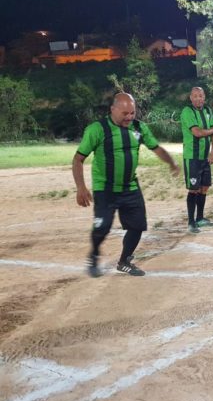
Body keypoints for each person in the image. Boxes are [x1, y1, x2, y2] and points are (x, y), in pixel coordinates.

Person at [73, 93, 180, 277]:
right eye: (125, 113)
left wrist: (171, 162)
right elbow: (78, 159)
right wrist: (81, 188)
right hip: (105, 189)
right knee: (102, 227)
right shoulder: (97, 129)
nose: (129, 117)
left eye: (132, 113)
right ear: (113, 110)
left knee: (137, 226)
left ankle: (124, 261)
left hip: (130, 187)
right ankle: (94, 254)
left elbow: (156, 148)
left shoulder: (138, 127)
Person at [180, 86, 213, 233]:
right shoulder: (187, 111)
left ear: (204, 97)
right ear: (191, 98)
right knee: (194, 189)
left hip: (205, 157)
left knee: (204, 188)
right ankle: (191, 223)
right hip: (192, 158)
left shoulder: (208, 111)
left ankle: (200, 218)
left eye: (201, 96)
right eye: (195, 96)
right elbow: (197, 132)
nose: (198, 98)